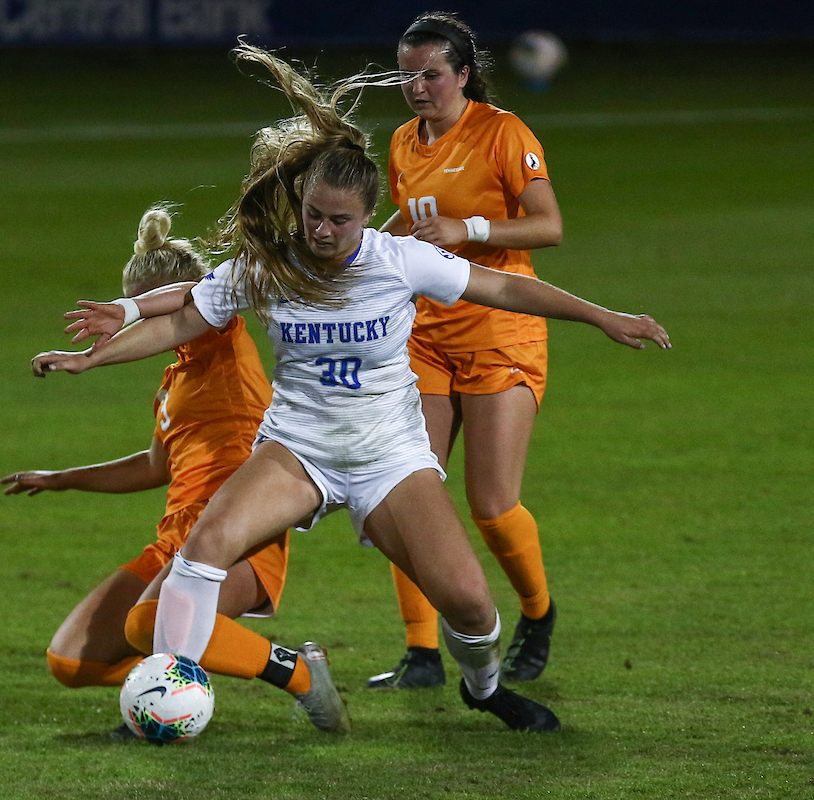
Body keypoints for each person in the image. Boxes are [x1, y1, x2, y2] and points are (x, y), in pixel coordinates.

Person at [36, 43, 670, 733]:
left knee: (471, 608)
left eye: (340, 220)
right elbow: (188, 315)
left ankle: (484, 690)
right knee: (203, 550)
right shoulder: (271, 265)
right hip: (296, 450)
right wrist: (94, 357)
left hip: (387, 456)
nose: (324, 231)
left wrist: (601, 315)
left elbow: (506, 286)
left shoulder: (401, 261)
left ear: (369, 214)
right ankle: (170, 697)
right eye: (313, 215)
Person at [4, 207, 348, 736]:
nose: (141, 325)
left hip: (238, 535)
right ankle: (172, 687)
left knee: (148, 622)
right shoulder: (174, 380)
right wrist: (61, 477)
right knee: (72, 662)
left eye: (142, 315)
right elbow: (152, 466)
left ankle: (300, 675)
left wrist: (99, 348)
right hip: (174, 539)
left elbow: (195, 298)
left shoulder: (222, 339)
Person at [366, 11, 569, 690]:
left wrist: (470, 226)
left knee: (490, 504)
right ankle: (421, 653)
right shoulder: (401, 141)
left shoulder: (502, 132)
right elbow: (405, 222)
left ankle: (536, 613)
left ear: (462, 74)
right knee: (405, 490)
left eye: (430, 74)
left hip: (499, 331)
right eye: (407, 74)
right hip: (423, 336)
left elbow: (549, 225)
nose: (417, 87)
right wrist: (355, 254)